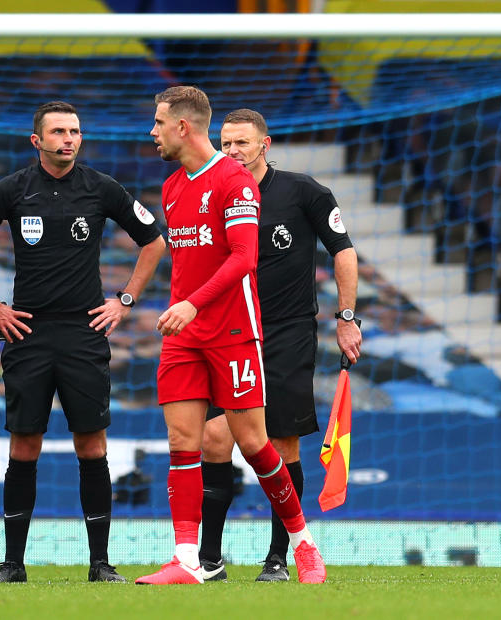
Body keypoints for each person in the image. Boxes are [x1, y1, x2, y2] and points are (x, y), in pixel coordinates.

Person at [135, 87, 326, 585]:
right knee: (183, 440)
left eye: (158, 123)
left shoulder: (236, 181)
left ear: (183, 127)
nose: (151, 132)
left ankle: (303, 545)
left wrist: (192, 303)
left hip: (233, 331)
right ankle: (187, 560)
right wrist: (184, 308)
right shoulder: (173, 186)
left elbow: (244, 257)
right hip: (184, 335)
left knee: (256, 445)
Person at [0, 101, 166, 583]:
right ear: (35, 140)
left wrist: (124, 300)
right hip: (27, 333)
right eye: (58, 131)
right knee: (24, 446)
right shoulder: (12, 190)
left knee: (91, 445)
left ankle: (100, 563)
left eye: (75, 131)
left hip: (84, 333)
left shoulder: (102, 188)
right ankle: (13, 564)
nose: (69, 139)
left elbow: (155, 240)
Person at [196, 108, 363, 582]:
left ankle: (278, 558)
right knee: (214, 438)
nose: (232, 152)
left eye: (241, 143)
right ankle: (209, 558)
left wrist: (346, 318)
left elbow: (344, 252)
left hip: (286, 332)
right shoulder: (210, 192)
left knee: (281, 441)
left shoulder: (303, 192)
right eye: (225, 143)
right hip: (227, 332)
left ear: (264, 144)